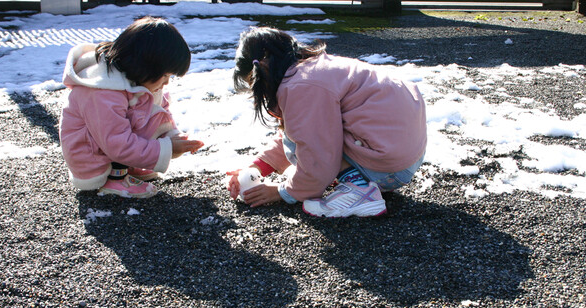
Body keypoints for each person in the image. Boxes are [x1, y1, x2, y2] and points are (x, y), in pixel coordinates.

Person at [226, 27, 427, 217]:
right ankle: (354, 178)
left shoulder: (300, 86)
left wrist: (284, 192)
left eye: (255, 85)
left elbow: (313, 147)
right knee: (307, 137)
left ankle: (360, 191)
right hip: (404, 156)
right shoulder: (313, 70)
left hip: (386, 166)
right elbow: (303, 128)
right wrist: (257, 167)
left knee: (303, 148)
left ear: (261, 69)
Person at [60, 16, 204, 198]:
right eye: (166, 75)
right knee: (122, 136)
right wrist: (166, 149)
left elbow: (159, 112)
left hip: (110, 146)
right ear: (145, 65)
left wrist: (172, 136)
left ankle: (125, 167)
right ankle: (115, 178)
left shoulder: (140, 80)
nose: (167, 82)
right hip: (90, 156)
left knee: (145, 111)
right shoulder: (103, 92)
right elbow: (117, 143)